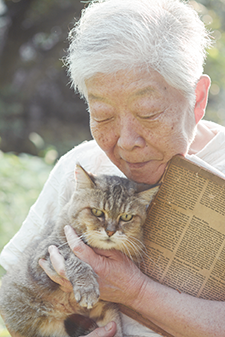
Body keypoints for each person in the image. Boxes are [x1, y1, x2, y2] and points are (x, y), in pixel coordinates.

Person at [1, 0, 225, 336]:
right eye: (103, 115)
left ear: (197, 99)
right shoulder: (82, 168)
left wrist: (135, 291)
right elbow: (14, 295)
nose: (125, 142)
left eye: (148, 113)